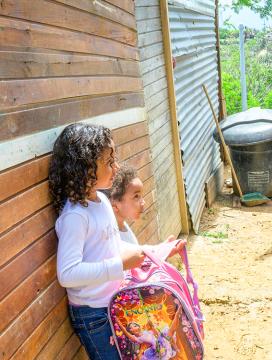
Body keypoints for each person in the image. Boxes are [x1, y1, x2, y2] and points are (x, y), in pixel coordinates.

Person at [50, 123, 185, 359]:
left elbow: (110, 245)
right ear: (85, 166)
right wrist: (120, 265)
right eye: (109, 162)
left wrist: (154, 251)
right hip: (93, 315)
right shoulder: (75, 216)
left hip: (112, 305)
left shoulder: (100, 202)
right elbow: (67, 273)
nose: (116, 167)